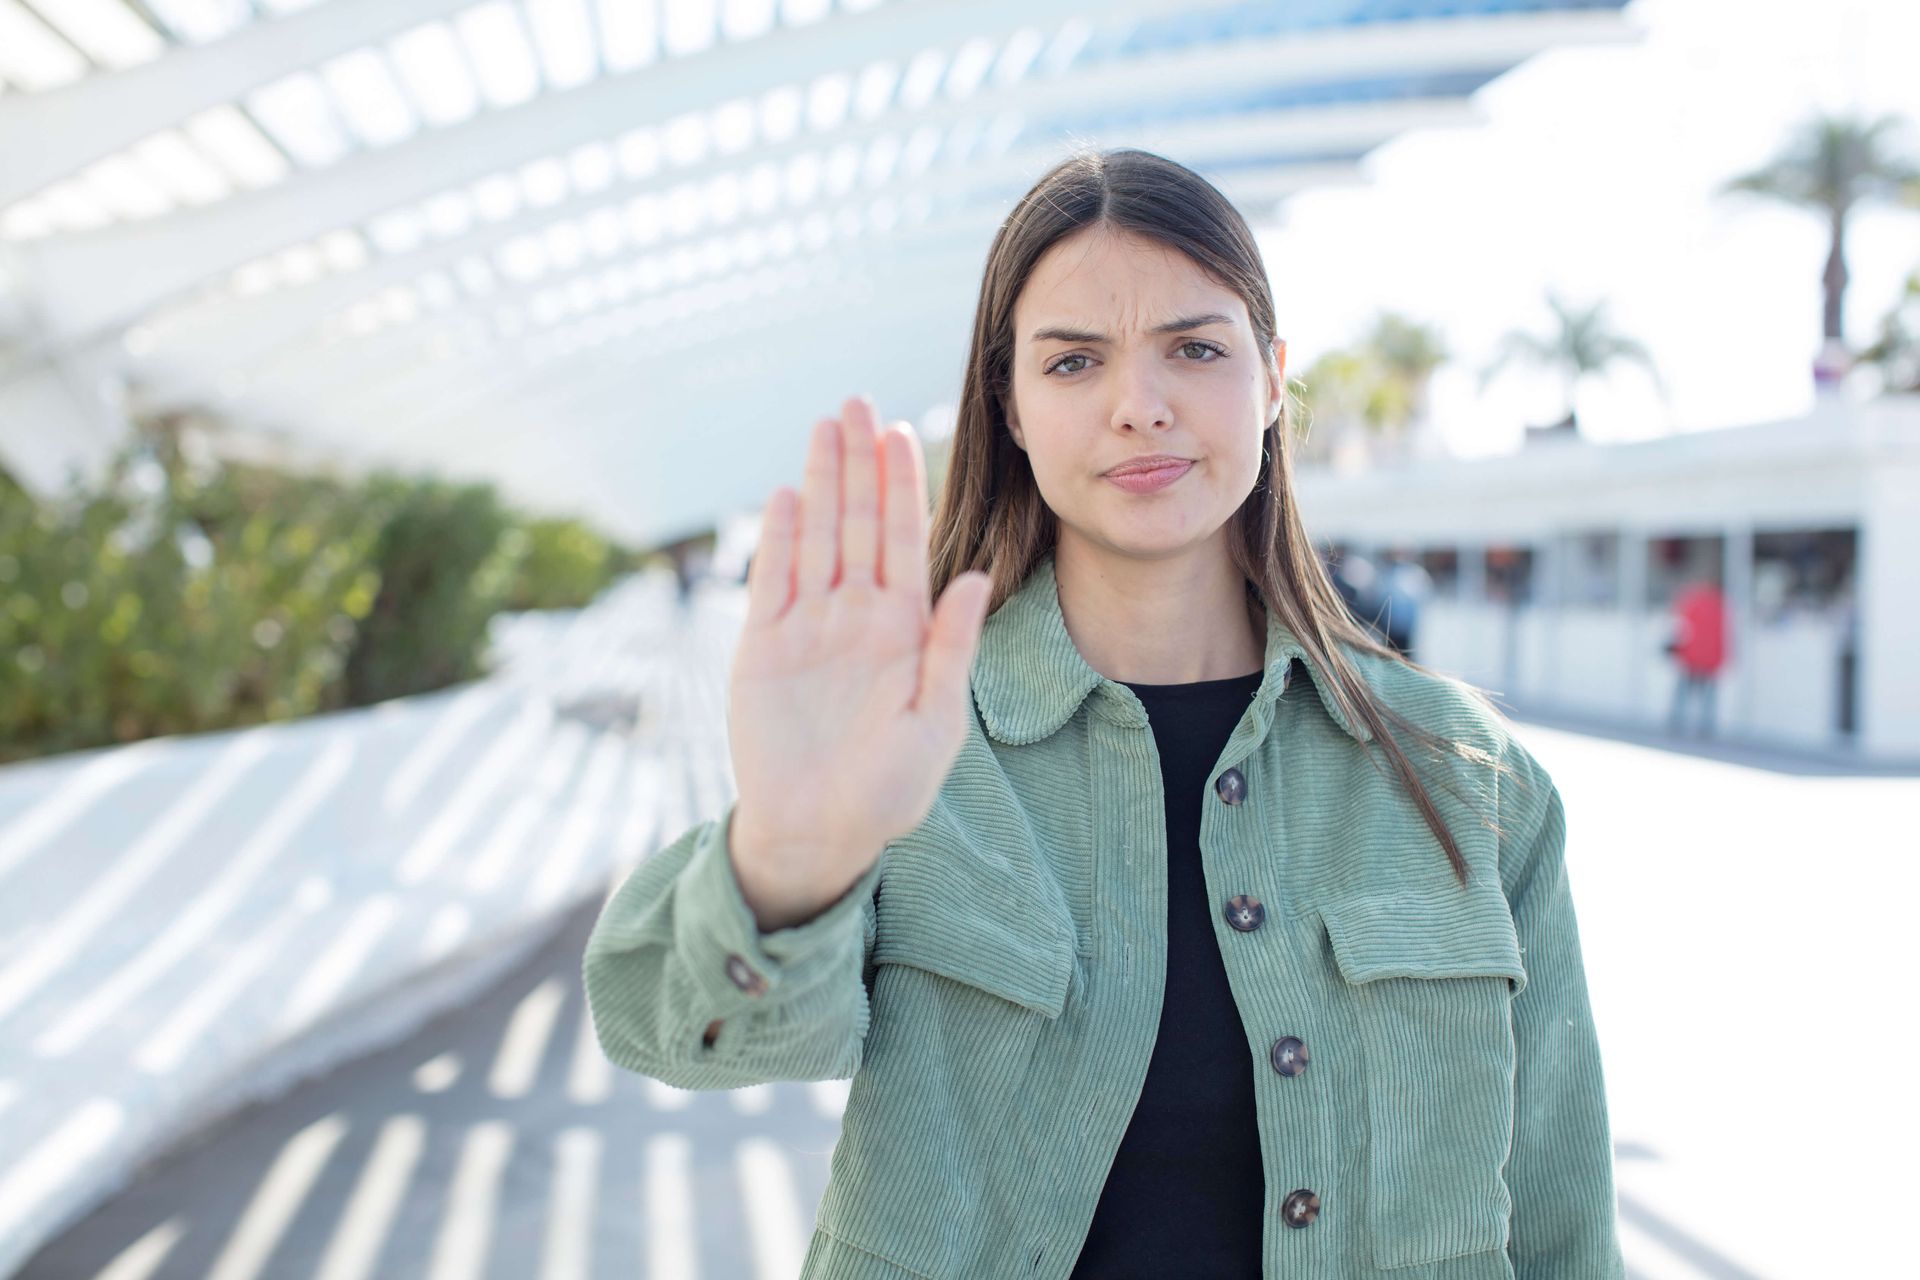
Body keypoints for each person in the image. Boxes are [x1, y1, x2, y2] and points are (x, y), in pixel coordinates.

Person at [583, 148, 1624, 1279]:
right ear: (1013, 409)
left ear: (1273, 378)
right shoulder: (914, 737)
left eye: (1196, 347)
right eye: (1075, 360)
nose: (1141, 406)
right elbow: (666, 1026)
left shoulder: (1467, 777)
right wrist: (791, 852)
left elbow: (1565, 1225)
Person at [1665, 577, 1728, 738]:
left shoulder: (1691, 603)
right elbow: (1724, 635)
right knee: (1707, 695)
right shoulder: (1720, 605)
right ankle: (1706, 727)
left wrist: (1676, 649)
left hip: (1691, 656)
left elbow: (1680, 628)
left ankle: (1676, 721)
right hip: (1710, 659)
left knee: (1684, 691)